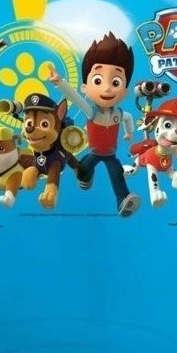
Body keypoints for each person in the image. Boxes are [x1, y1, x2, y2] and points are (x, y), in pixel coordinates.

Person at [47, 31, 141, 217]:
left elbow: (129, 118)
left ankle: (123, 201)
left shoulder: (119, 113)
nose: (107, 88)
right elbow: (75, 97)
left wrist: (129, 132)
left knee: (117, 173)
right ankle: (85, 179)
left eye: (116, 82)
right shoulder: (91, 111)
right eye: (98, 80)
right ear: (85, 87)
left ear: (125, 91)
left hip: (111, 154)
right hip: (95, 152)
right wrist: (59, 82)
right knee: (82, 169)